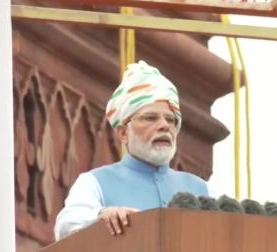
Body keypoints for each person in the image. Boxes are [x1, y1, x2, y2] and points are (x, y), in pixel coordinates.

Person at [54, 61, 214, 240]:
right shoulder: (95, 182)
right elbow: (65, 226)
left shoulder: (201, 188)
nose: (164, 126)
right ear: (123, 133)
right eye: (150, 118)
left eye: (171, 120)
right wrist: (102, 215)